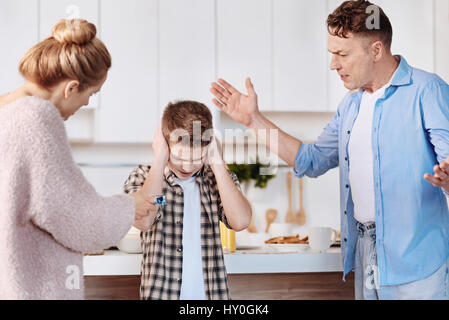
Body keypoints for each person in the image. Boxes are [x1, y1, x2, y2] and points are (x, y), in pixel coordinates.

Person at [210, 0, 449, 300]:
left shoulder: (427, 91)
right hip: (366, 254)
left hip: (418, 263)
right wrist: (253, 120)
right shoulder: (350, 106)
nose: (333, 64)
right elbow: (309, 161)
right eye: (332, 53)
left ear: (376, 50)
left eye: (342, 54)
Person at [0, 19, 155, 299]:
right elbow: (76, 219)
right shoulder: (36, 119)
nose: (86, 104)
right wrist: (129, 206)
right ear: (71, 88)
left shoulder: (5, 108)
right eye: (91, 94)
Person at [123, 100, 252, 300]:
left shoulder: (216, 180)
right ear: (165, 145)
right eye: (179, 157)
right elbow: (143, 221)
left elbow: (241, 221)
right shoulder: (142, 176)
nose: (187, 167)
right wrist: (159, 159)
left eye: (196, 158)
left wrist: (217, 162)